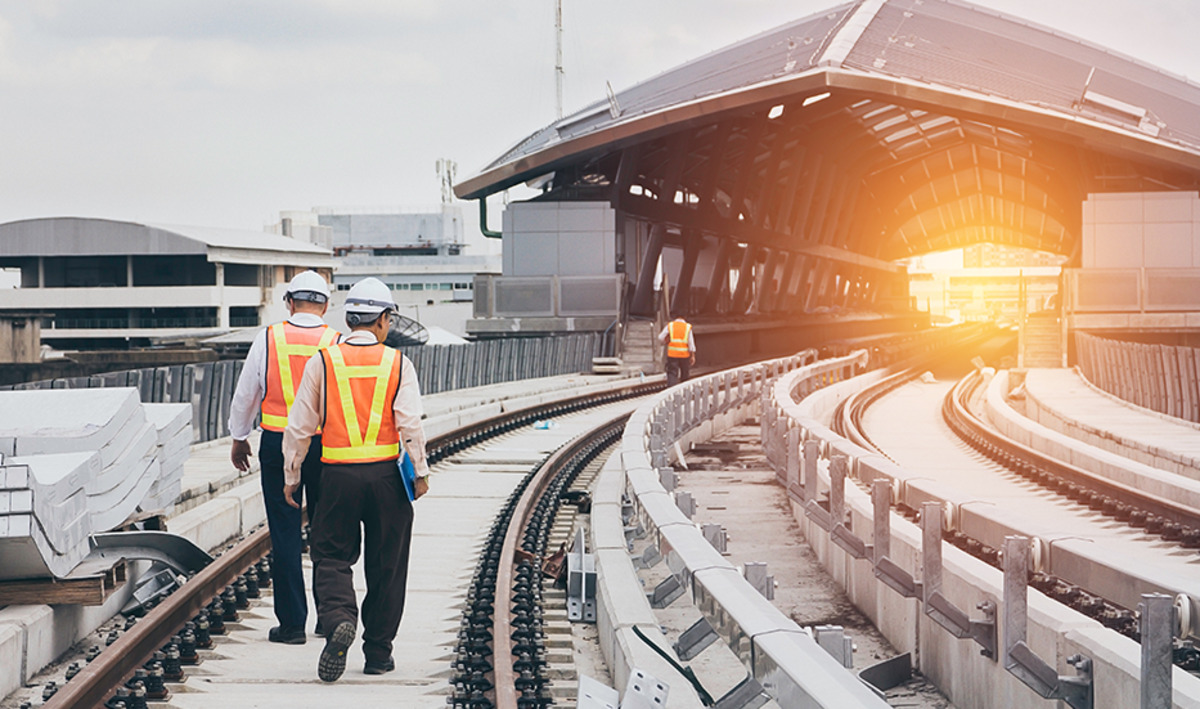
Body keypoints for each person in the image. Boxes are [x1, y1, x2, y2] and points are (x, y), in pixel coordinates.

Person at [282, 277, 432, 682]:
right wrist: (419, 472)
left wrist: (292, 474)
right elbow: (411, 425)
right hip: (386, 477)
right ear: (383, 319)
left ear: (349, 319)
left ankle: (337, 621)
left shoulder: (323, 361)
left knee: (330, 558)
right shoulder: (398, 363)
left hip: (335, 477)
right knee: (388, 565)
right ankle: (379, 653)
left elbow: (299, 426)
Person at [228, 270, 338, 645]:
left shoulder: (269, 338)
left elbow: (246, 394)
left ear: (289, 302)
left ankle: (292, 626)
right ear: (325, 305)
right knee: (327, 531)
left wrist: (239, 437)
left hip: (277, 443)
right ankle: (329, 617)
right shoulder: (335, 342)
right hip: (325, 447)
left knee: (285, 532)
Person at [658, 315, 696, 385]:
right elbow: (691, 343)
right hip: (684, 355)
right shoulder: (687, 327)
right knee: (685, 375)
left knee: (672, 374)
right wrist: (693, 356)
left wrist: (665, 342)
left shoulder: (670, 325)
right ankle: (685, 393)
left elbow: (660, 337)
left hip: (672, 354)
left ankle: (671, 392)